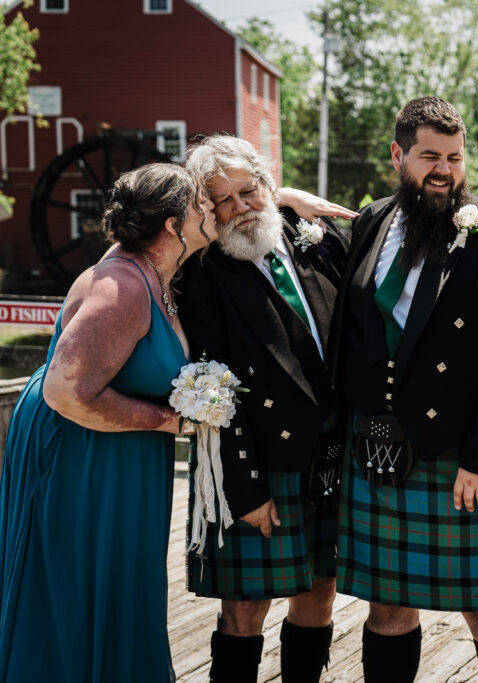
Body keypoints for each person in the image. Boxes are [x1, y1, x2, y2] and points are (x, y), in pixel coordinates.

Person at [329, 97, 478, 683]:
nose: (444, 170)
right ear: (398, 155)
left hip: (462, 449)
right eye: (430, 157)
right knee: (386, 607)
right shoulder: (373, 221)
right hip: (379, 447)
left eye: (454, 157)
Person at [0, 163, 215, 681]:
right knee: (76, 583)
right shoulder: (123, 285)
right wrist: (168, 422)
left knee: (120, 579)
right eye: (202, 204)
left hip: (121, 448)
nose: (212, 211)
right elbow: (65, 391)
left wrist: (287, 200)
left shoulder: (154, 272)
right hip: (80, 451)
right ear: (172, 224)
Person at [176, 135, 350, 683]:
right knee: (245, 606)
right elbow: (211, 387)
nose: (240, 207)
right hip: (257, 457)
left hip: (329, 451)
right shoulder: (199, 272)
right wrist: (244, 487)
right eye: (222, 200)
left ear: (268, 186)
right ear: (206, 209)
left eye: (248, 191)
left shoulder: (311, 236)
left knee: (321, 590)